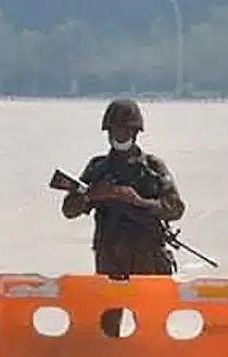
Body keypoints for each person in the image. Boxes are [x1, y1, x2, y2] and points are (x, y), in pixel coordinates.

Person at [61, 98, 186, 337]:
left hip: (147, 253)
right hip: (109, 254)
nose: (120, 135)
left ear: (136, 132)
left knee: (150, 325)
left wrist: (138, 201)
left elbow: (175, 208)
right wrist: (93, 195)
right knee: (107, 325)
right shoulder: (98, 168)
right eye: (115, 129)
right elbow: (69, 209)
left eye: (126, 129)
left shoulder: (152, 167)